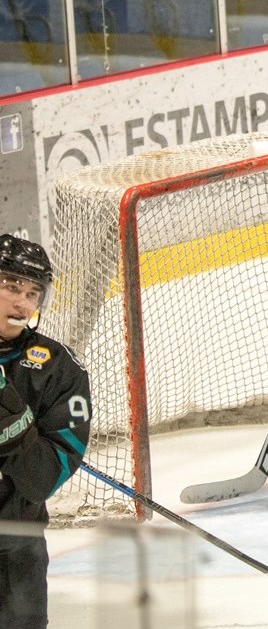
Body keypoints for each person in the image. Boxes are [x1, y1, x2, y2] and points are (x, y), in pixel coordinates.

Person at [0, 234, 92, 628]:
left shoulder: (60, 369)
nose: (23, 303)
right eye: (11, 286)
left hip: (15, 545)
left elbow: (43, 478)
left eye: (33, 292)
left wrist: (7, 407)